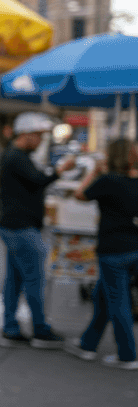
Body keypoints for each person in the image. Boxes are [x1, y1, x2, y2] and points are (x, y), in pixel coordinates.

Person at [0, 112, 75, 348]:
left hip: (12, 226)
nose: (41, 141)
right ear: (27, 135)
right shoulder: (17, 158)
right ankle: (40, 329)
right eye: (39, 136)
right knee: (34, 280)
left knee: (14, 280)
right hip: (22, 228)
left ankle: (10, 327)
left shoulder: (12, 156)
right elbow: (39, 180)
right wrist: (60, 170)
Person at [66, 139, 138, 370]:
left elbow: (79, 194)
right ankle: (88, 344)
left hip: (112, 249)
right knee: (103, 296)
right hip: (133, 247)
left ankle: (127, 354)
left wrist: (94, 172)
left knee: (118, 303)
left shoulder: (108, 181)